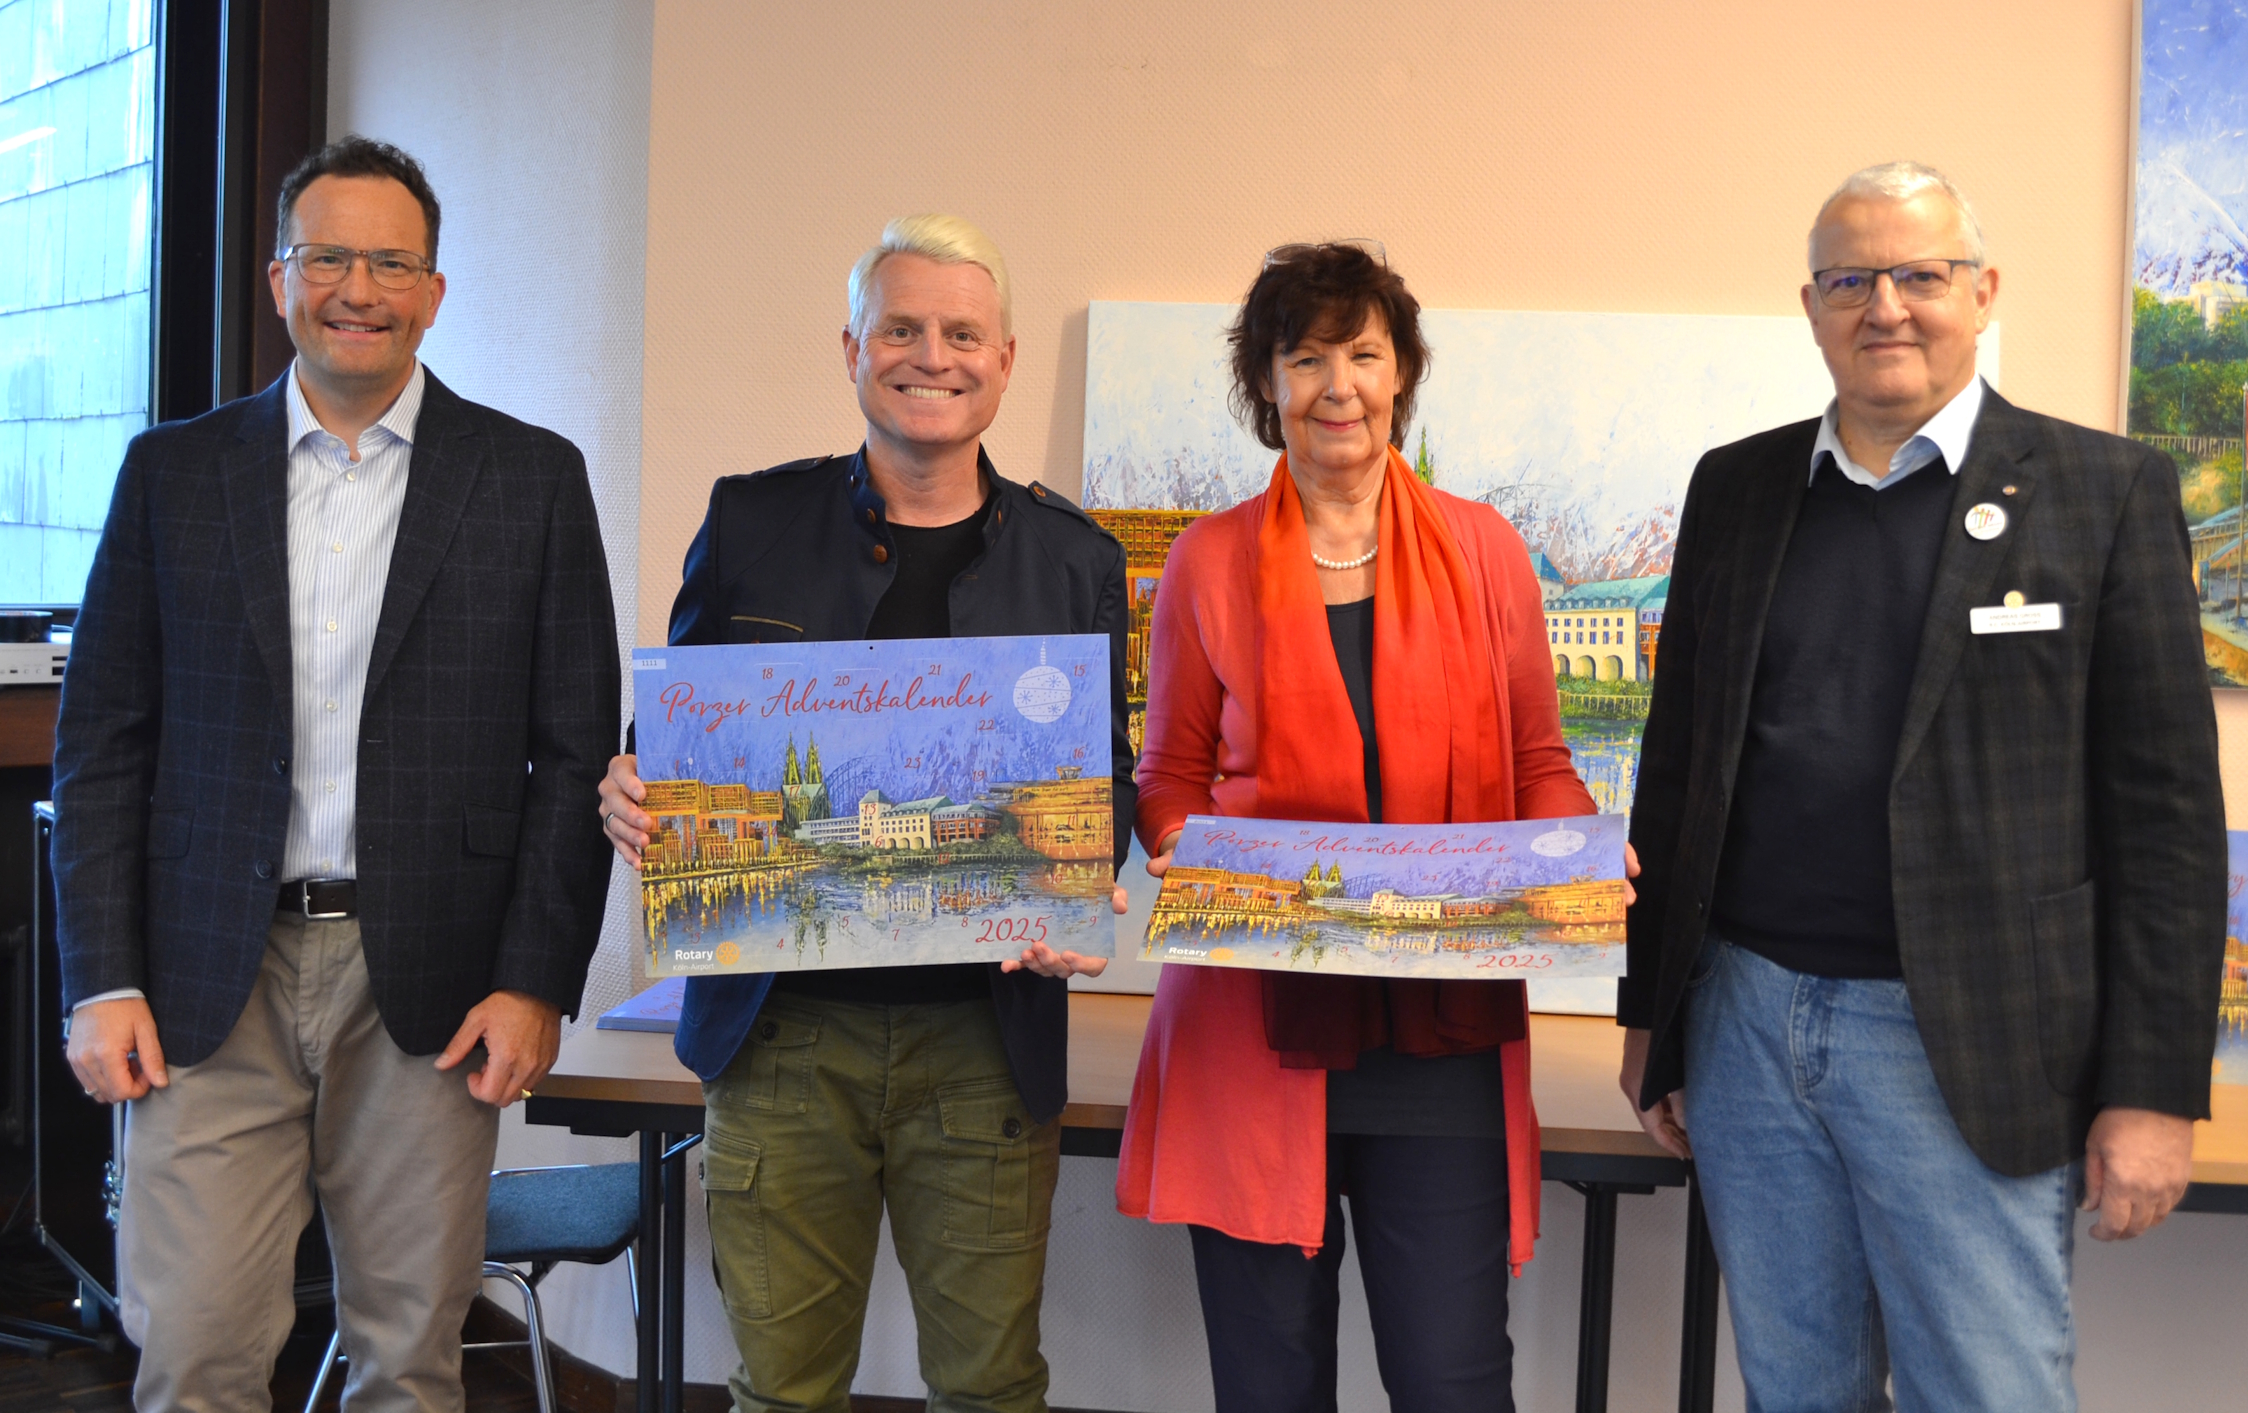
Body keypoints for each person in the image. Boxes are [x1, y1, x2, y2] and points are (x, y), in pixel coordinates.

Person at [1620, 161, 2225, 1411]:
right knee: (1798, 1389)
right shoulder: (1735, 489)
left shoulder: (2102, 493)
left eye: (1918, 274)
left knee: (1987, 1394)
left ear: (1981, 291)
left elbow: (2167, 825)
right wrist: (1654, 1018)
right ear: (1810, 304)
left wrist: (2156, 1092)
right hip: (1747, 1019)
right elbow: (1677, 768)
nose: (1883, 305)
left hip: (1968, 1042)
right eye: (1850, 279)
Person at [52, 136, 621, 1410]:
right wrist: (101, 979)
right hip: (206, 975)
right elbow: (101, 747)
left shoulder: (530, 480)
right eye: (327, 256)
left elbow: (574, 753)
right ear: (277, 278)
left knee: (411, 1359)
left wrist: (537, 981)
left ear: (432, 291)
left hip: (425, 979)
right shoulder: (171, 476)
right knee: (192, 1350)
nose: (356, 286)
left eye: (391, 261)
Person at [596, 214, 1133, 1413]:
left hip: (985, 1043)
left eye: (959, 334)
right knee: (781, 1390)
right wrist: (628, 784)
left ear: (1001, 363)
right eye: (899, 328)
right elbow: (675, 742)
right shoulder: (751, 522)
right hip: (781, 1038)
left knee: (990, 1386)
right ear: (851, 349)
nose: (928, 355)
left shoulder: (1071, 557)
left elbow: (1110, 777)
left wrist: (1091, 864)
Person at [1114, 242, 1600, 1413]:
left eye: (1365, 355)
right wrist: (1179, 842)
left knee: (1452, 1381)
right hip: (1257, 1025)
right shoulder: (1207, 559)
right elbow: (1167, 774)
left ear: (1401, 376)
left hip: (1442, 1032)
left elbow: (1540, 763)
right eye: (1307, 357)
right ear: (1266, 385)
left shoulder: (1485, 549)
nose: (1340, 384)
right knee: (1271, 1385)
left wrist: (1580, 860)